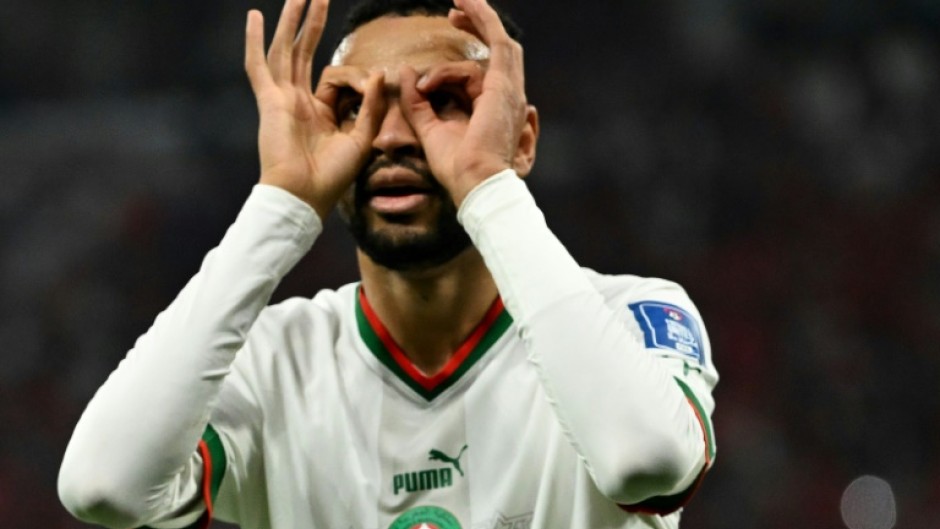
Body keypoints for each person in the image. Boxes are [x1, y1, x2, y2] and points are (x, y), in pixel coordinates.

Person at [58, 0, 718, 527]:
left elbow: (646, 463)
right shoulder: (270, 359)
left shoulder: (632, 315)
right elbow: (103, 486)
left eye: (446, 102)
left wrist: (487, 183)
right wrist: (280, 204)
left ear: (521, 137)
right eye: (355, 108)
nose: (395, 136)